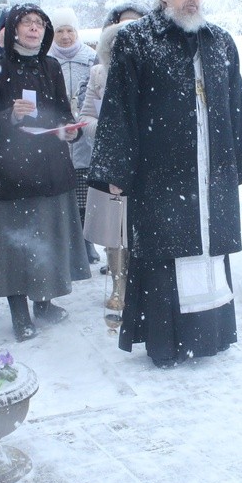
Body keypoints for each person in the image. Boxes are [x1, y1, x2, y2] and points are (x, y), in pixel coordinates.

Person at [89, 0, 242, 368]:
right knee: (168, 253)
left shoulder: (219, 40)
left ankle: (211, 337)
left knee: (208, 249)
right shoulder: (137, 41)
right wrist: (116, 168)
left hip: (211, 170)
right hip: (162, 173)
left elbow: (236, 102)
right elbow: (119, 107)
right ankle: (167, 343)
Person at [0, 3, 91, 342]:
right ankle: (19, 312)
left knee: (49, 240)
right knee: (18, 245)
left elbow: (64, 114)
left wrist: (72, 130)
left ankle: (44, 302)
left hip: (53, 168)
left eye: (39, 23)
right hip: (15, 173)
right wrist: (9, 117)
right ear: (12, 29)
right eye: (26, 23)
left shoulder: (51, 66)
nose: (33, 28)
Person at [79, 21, 130, 328]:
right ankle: (118, 286)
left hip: (141, 164)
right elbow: (84, 117)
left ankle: (140, 282)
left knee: (137, 228)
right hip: (109, 159)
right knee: (114, 231)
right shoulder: (98, 74)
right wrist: (104, 129)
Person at [48, 7, 100, 265]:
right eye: (59, 31)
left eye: (70, 30)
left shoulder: (90, 58)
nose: (65, 36)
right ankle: (66, 242)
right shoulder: (46, 60)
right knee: (61, 190)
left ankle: (87, 241)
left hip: (83, 131)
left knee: (84, 191)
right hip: (57, 131)